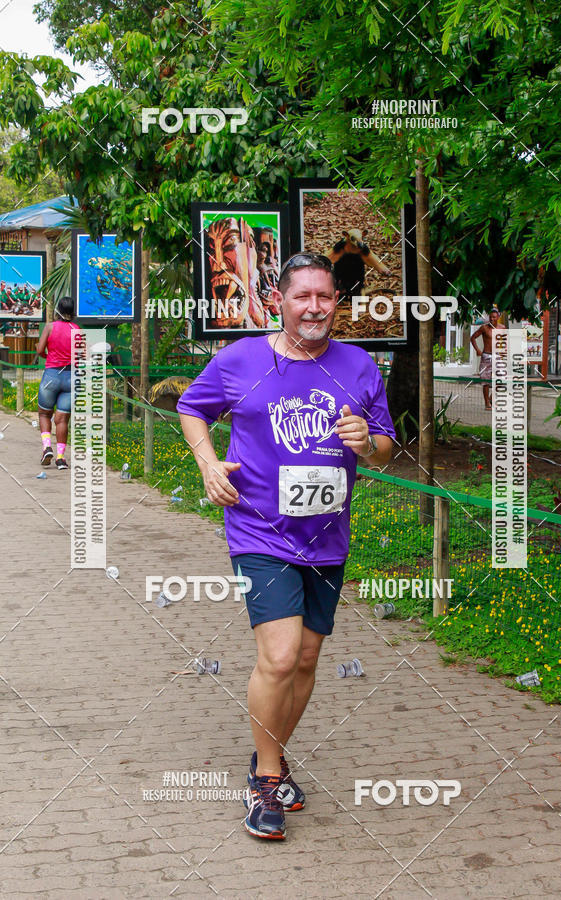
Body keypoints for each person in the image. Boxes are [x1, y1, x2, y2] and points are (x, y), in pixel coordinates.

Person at [177, 252, 395, 841]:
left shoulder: (357, 366)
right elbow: (191, 408)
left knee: (305, 660)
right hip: (258, 532)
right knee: (278, 656)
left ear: (335, 303)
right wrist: (205, 463)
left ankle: (266, 754)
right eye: (303, 296)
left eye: (325, 297)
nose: (315, 308)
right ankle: (266, 782)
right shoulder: (240, 358)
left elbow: (385, 447)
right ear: (279, 300)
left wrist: (367, 442)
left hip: (327, 536)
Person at [35, 296, 81, 469]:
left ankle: (47, 447)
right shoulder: (77, 329)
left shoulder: (50, 327)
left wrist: (49, 358)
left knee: (44, 414)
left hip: (52, 375)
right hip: (71, 378)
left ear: (58, 311)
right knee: (62, 420)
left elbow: (40, 350)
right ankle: (61, 458)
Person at [470, 308, 505, 410]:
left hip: (498, 356)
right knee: (486, 381)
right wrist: (478, 350)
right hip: (486, 356)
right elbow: (472, 338)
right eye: (490, 317)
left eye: (494, 317)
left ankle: (492, 397)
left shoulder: (502, 327)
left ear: (498, 317)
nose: (492, 319)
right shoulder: (484, 328)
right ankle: (487, 403)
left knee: (501, 380)